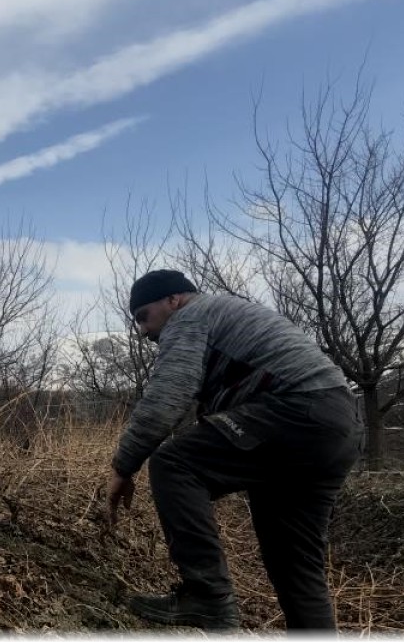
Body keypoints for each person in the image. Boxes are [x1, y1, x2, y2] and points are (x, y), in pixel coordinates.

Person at [106, 270, 362, 631]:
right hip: (338, 425)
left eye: (142, 316)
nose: (143, 331)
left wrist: (123, 466)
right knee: (295, 567)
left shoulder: (191, 316)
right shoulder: (228, 317)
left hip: (298, 410)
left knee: (174, 463)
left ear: (172, 300)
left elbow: (166, 398)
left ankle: (207, 596)